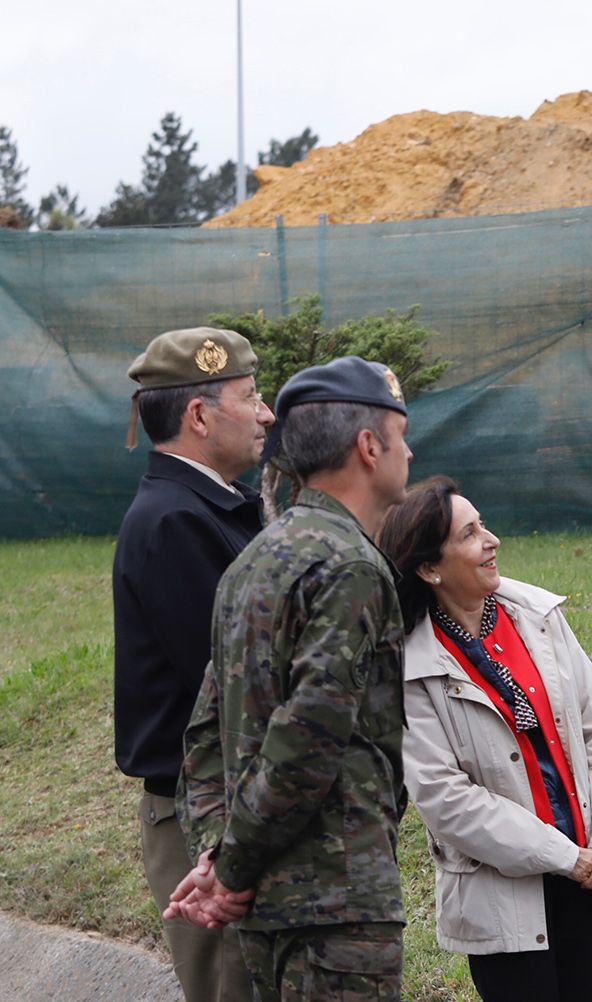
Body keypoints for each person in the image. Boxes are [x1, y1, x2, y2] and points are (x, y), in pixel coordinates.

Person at [169, 356, 414, 1002]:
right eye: (400, 435)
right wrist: (231, 866)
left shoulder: (251, 562)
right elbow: (308, 737)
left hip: (261, 917)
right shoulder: (351, 566)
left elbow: (200, 737)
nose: (408, 452)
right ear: (369, 446)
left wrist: (219, 859)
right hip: (335, 909)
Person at [378, 476, 592, 1002]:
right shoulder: (409, 666)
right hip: (506, 894)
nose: (491, 540)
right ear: (430, 568)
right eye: (470, 533)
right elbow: (446, 800)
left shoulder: (538, 617)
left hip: (589, 874)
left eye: (484, 524)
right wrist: (562, 855)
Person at [112, 326, 272, 1002]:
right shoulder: (176, 521)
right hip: (202, 818)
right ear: (201, 416)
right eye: (251, 396)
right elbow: (235, 683)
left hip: (230, 806)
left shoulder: (215, 507)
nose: (267, 412)